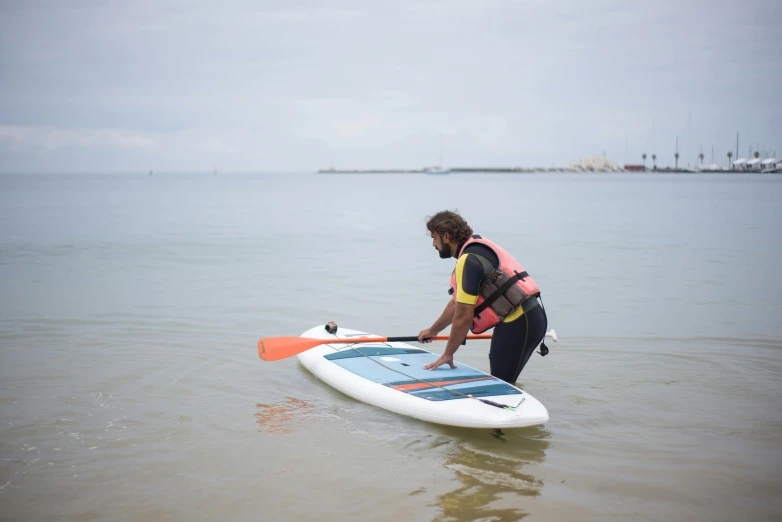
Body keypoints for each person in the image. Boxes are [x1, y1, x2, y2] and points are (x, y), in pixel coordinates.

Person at [418, 210, 548, 385]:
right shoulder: (477, 248)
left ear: (446, 236)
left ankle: (509, 410)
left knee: (501, 384)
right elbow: (458, 303)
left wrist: (448, 353)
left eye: (434, 237)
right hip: (529, 318)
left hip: (518, 324)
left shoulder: (468, 260)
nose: (434, 243)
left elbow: (464, 316)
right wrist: (434, 330)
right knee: (505, 381)